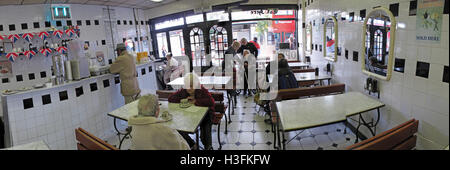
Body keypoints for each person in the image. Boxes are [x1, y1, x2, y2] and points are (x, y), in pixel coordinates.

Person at [168, 73, 215, 150]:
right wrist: (184, 99)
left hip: (206, 116)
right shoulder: (184, 91)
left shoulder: (201, 89)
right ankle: (192, 144)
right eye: (187, 86)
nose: (189, 89)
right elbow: (171, 98)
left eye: (191, 86)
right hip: (189, 115)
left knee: (205, 131)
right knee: (178, 128)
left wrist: (196, 101)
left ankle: (208, 146)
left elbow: (211, 102)